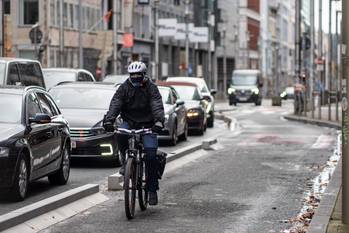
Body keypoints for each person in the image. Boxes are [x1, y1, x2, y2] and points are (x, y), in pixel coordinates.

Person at [103, 61, 165, 205]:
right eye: (133, 75)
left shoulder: (151, 88)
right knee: (120, 134)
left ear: (144, 74)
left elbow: (156, 104)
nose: (135, 77)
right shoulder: (124, 88)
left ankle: (151, 190)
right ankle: (126, 162)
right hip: (129, 123)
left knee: (150, 155)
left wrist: (159, 122)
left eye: (138, 75)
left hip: (148, 125)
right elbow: (116, 103)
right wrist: (109, 120)